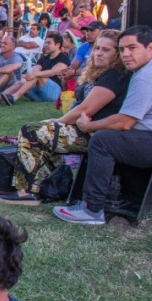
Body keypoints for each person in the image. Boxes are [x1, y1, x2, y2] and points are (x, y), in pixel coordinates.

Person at [0, 30, 129, 206]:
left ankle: (29, 192)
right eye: (97, 48)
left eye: (106, 50)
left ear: (117, 54)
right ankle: (50, 186)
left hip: (95, 134)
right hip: (84, 128)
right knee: (38, 129)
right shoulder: (101, 74)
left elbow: (87, 108)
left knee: (30, 131)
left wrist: (59, 122)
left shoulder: (114, 76)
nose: (98, 53)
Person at [53, 25, 152, 224]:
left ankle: (92, 210)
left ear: (150, 48)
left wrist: (90, 126)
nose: (126, 54)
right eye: (122, 49)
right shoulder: (142, 72)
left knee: (103, 140)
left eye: (132, 48)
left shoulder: (145, 77)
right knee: (107, 136)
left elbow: (125, 122)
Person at [0, 33, 70, 106]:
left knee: (37, 75)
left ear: (58, 45)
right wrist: (28, 76)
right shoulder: (44, 58)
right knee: (21, 82)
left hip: (55, 93)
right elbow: (35, 69)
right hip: (39, 94)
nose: (46, 45)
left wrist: (34, 74)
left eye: (49, 43)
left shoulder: (63, 58)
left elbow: (52, 72)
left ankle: (14, 97)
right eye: (46, 43)